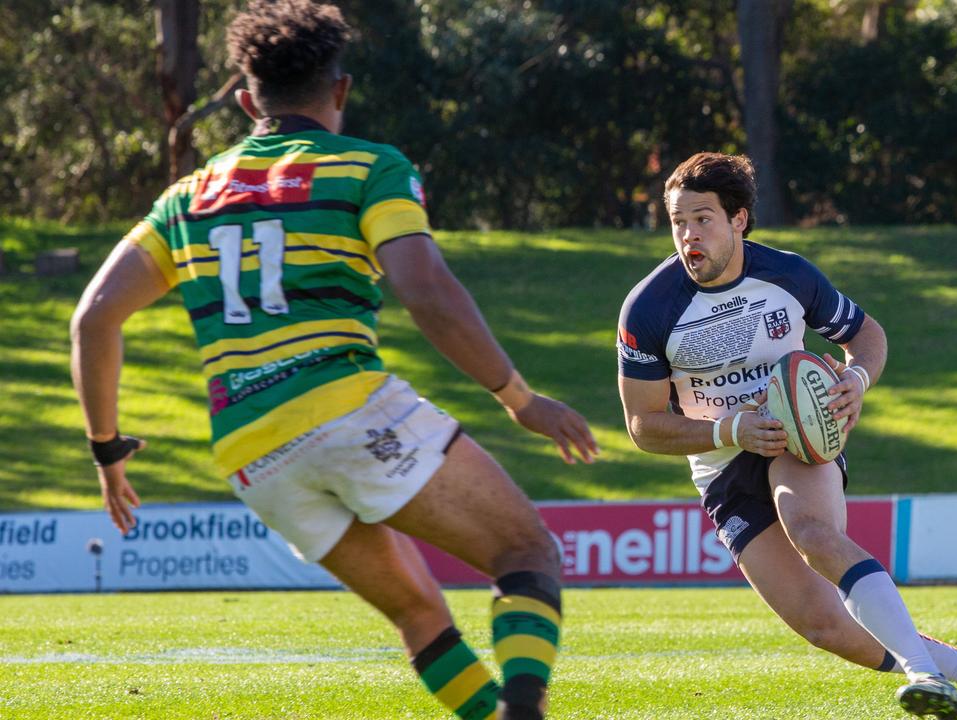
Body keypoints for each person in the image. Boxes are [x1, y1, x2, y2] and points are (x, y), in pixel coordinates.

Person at [70, 2, 598, 718]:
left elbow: (95, 317)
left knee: (420, 617)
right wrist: (518, 397)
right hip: (347, 410)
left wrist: (108, 452)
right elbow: (427, 290)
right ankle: (525, 711)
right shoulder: (367, 168)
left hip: (253, 454)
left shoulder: (183, 201)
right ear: (340, 89)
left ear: (246, 98)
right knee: (526, 554)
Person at [616, 152, 957, 720]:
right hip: (720, 460)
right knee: (823, 625)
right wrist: (733, 427)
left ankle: (921, 673)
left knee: (811, 532)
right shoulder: (649, 307)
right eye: (679, 221)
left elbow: (868, 335)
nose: (688, 235)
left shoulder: (789, 275)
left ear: (738, 220)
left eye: (703, 219)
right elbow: (643, 426)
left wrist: (856, 378)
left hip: (798, 437)